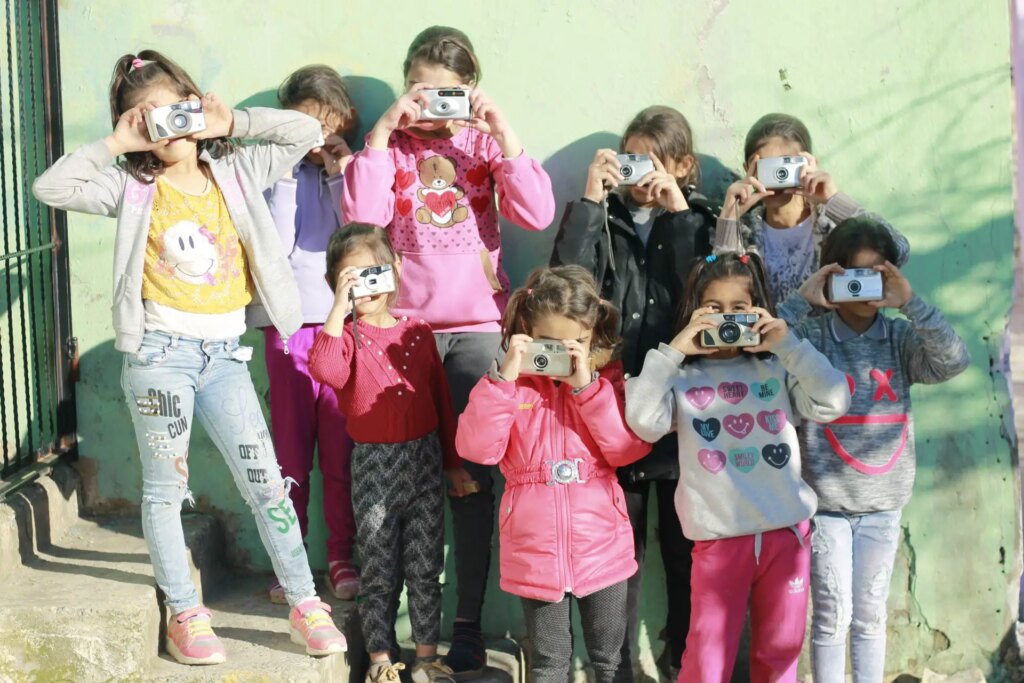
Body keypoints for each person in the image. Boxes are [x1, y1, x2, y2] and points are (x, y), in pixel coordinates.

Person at [32, 50, 345, 664]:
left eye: (171, 108)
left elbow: (310, 130)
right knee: (166, 490)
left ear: (194, 102)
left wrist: (231, 124)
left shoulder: (237, 169)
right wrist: (113, 142)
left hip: (225, 357)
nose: (162, 126)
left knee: (267, 484)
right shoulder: (129, 185)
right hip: (158, 357)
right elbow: (52, 186)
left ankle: (305, 604)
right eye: (142, 118)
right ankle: (185, 612)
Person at [342, 25, 555, 678]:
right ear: (409, 85)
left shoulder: (483, 143)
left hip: (478, 331)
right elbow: (361, 216)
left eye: (451, 94)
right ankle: (399, 628)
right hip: (404, 334)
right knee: (401, 486)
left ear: (470, 91)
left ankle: (465, 622)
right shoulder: (392, 148)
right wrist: (380, 134)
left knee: (470, 482)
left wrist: (501, 129)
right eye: (424, 92)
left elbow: (538, 213)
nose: (436, 107)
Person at [626, 251, 850, 682]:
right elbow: (642, 421)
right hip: (718, 542)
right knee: (707, 661)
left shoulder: (778, 369)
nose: (727, 319)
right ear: (694, 313)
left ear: (759, 310)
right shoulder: (681, 379)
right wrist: (673, 352)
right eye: (713, 308)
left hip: (786, 537)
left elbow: (834, 400)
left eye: (740, 309)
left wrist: (786, 343)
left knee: (780, 655)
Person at [549, 105, 717, 679]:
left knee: (685, 552)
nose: (640, 173)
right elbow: (565, 288)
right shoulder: (604, 216)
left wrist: (677, 213)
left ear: (683, 166)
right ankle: (614, 667)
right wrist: (592, 202)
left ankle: (685, 663)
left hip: (682, 418)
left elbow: (703, 296)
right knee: (619, 559)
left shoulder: (700, 218)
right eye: (630, 158)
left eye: (654, 161)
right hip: (610, 416)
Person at [784, 217, 969, 682]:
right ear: (830, 276)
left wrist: (913, 306)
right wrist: (800, 302)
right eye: (852, 276)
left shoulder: (900, 338)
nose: (865, 289)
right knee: (831, 614)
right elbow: (761, 356)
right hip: (825, 504)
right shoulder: (812, 337)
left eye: (876, 276)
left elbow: (953, 361)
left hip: (883, 505)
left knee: (869, 614)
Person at [456, 265, 651, 683]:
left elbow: (624, 450)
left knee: (611, 659)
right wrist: (503, 378)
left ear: (591, 333)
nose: (562, 355)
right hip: (536, 554)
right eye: (549, 344)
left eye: (575, 344)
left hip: (603, 548)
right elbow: (477, 449)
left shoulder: (605, 380)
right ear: (527, 329)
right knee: (549, 663)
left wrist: (587, 389)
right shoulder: (509, 386)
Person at [308, 223, 472, 683]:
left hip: (422, 463)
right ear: (335, 283)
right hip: (373, 466)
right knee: (378, 569)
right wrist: (338, 310)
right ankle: (381, 658)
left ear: (395, 269)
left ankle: (426, 656)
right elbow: (325, 370)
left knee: (425, 566)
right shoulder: (346, 338)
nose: (365, 286)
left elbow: (440, 400)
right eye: (350, 278)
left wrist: (453, 465)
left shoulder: (417, 332)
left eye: (372, 272)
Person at [261, 63, 360, 603]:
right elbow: (275, 245)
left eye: (322, 126)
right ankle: (290, 562)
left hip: (344, 328)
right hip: (287, 327)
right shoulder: (275, 176)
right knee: (291, 457)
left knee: (342, 452)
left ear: (342, 122)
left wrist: (338, 168)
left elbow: (357, 229)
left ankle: (342, 556)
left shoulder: (349, 169)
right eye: (301, 127)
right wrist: (284, 172)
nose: (312, 138)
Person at [716, 113, 909, 307]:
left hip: (828, 337)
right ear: (747, 169)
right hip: (767, 337)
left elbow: (899, 250)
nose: (778, 176)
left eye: (785, 165)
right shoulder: (743, 233)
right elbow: (720, 285)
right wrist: (728, 220)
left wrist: (834, 200)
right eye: (766, 167)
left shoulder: (835, 229)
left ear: (808, 164)